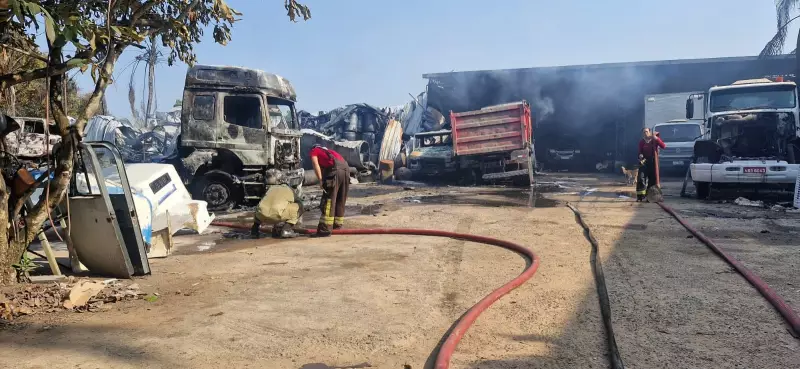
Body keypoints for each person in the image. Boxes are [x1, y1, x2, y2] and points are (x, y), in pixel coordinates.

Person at [309, 144, 350, 236]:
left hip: (335, 171)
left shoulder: (314, 151)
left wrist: (320, 180)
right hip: (346, 170)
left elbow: (315, 164)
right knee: (340, 199)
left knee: (329, 200)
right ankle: (337, 225)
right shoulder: (330, 152)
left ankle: (325, 229)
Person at [636, 127, 666, 202]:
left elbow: (663, 146)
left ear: (649, 132)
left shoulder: (654, 140)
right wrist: (640, 155)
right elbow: (640, 152)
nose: (645, 133)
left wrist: (656, 138)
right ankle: (640, 196)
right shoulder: (641, 142)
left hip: (653, 162)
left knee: (652, 180)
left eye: (646, 131)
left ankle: (649, 197)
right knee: (641, 177)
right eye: (644, 132)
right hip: (644, 161)